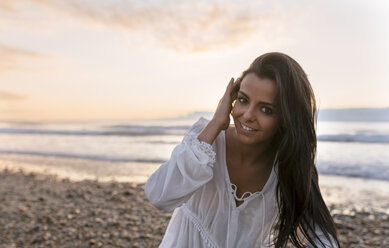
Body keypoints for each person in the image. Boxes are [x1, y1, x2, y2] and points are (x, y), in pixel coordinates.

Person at [145, 52, 340, 248]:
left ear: (286, 118)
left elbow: (322, 236)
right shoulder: (205, 144)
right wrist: (215, 123)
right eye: (243, 100)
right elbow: (159, 196)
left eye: (266, 109)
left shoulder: (288, 167)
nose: (247, 115)